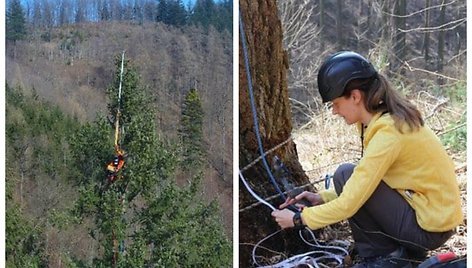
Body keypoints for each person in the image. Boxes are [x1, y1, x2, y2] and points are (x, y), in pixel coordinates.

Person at [271, 51, 463, 268]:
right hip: (425, 217)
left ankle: (386, 259)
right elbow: (367, 182)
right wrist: (322, 198)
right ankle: (393, 254)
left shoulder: (389, 133)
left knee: (345, 173)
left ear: (355, 96)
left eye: (335, 103)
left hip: (429, 228)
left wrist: (298, 220)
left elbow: (350, 203)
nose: (334, 111)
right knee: (346, 175)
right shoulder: (380, 122)